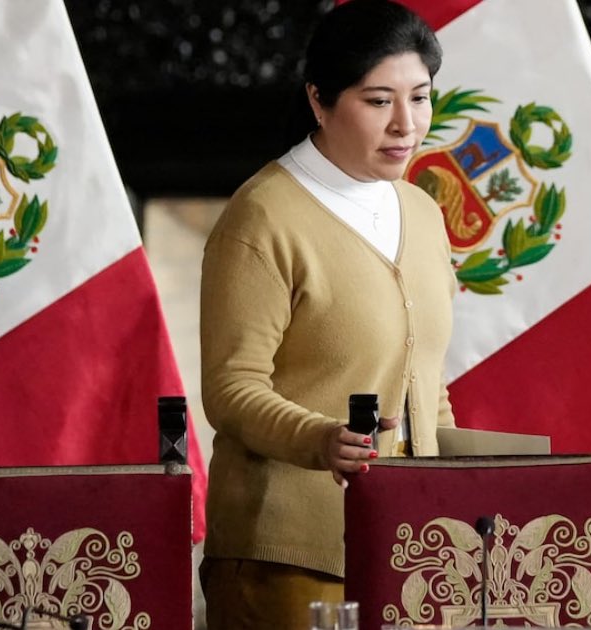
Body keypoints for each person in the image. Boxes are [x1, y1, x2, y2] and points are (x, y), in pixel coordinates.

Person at [198, 1, 456, 628]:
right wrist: (320, 439)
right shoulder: (262, 217)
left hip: (409, 550)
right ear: (319, 100)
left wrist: (454, 492)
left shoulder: (423, 212)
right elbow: (230, 388)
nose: (406, 125)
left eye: (419, 98)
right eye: (378, 101)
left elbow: (427, 382)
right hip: (284, 557)